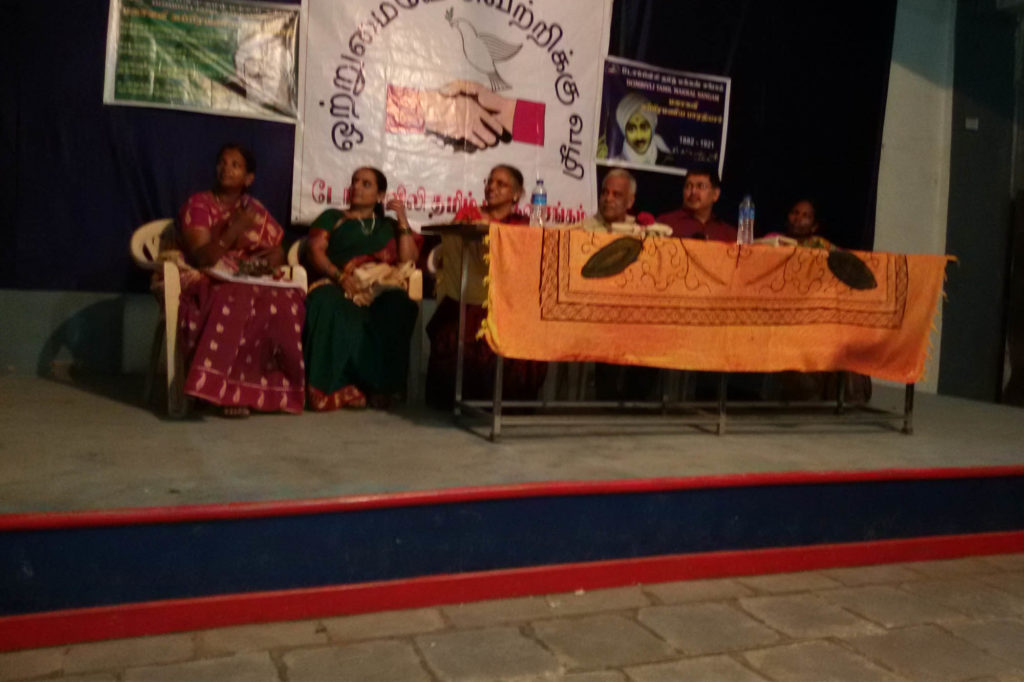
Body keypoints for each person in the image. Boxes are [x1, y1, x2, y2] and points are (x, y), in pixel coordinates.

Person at [174, 143, 305, 417]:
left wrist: (267, 261)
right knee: (235, 298)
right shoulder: (199, 204)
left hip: (246, 277)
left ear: (249, 178)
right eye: (222, 162)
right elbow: (203, 258)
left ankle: (267, 391)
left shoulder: (254, 209)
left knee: (286, 300)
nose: (226, 169)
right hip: (207, 276)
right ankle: (220, 391)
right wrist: (235, 229)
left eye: (235, 165)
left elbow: (276, 252)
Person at [425, 164, 546, 409]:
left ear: (516, 194)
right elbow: (451, 251)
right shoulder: (469, 215)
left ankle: (504, 404)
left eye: (501, 184)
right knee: (463, 323)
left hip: (507, 300)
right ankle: (458, 400)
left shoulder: (524, 224)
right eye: (490, 181)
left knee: (525, 325)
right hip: (467, 296)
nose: (492, 187)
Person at [303, 167, 423, 410]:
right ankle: (332, 388)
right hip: (338, 282)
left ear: (380, 195)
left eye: (366, 183)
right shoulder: (333, 217)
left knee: (399, 305)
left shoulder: (388, 225)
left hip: (379, 286)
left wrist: (402, 219)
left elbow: (408, 259)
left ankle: (380, 387)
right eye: (354, 181)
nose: (356, 186)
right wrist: (339, 276)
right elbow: (314, 251)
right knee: (325, 302)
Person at [656, 166, 737, 241]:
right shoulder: (664, 224)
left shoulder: (729, 234)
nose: (693, 192)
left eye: (701, 186)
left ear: (716, 194)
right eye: (688, 186)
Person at [599, 93, 673, 165]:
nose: (639, 135)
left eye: (644, 127)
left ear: (652, 128)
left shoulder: (668, 161)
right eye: (631, 129)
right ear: (624, 132)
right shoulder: (616, 164)